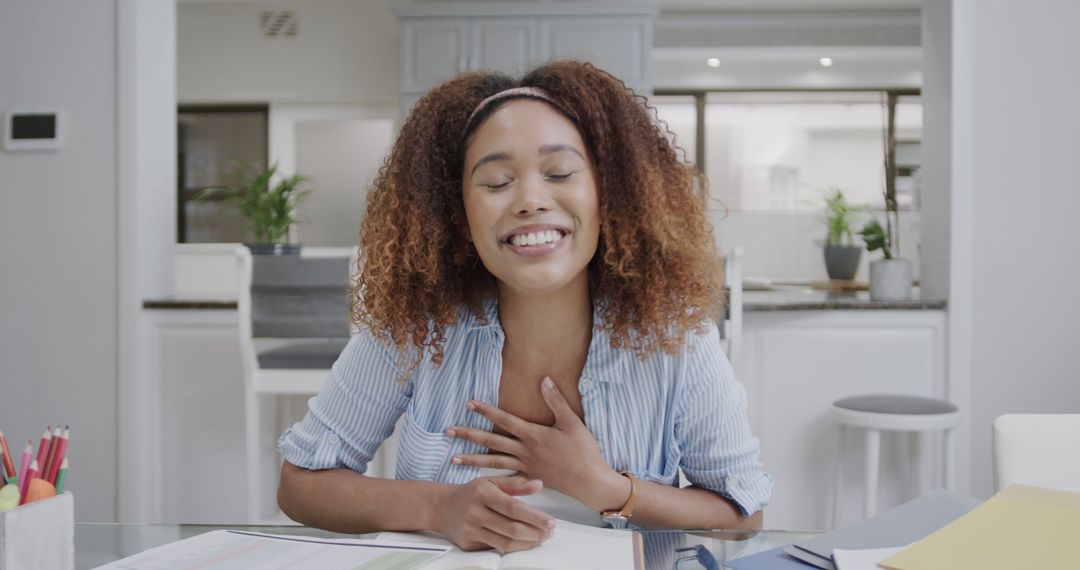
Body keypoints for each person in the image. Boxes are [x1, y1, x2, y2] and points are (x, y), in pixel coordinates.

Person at [276, 60, 772, 553]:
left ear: (609, 194)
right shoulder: (416, 330)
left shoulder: (675, 336)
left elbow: (742, 515)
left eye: (559, 172)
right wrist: (435, 506)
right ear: (457, 211)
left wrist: (609, 489)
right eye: (496, 182)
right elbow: (300, 485)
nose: (530, 200)